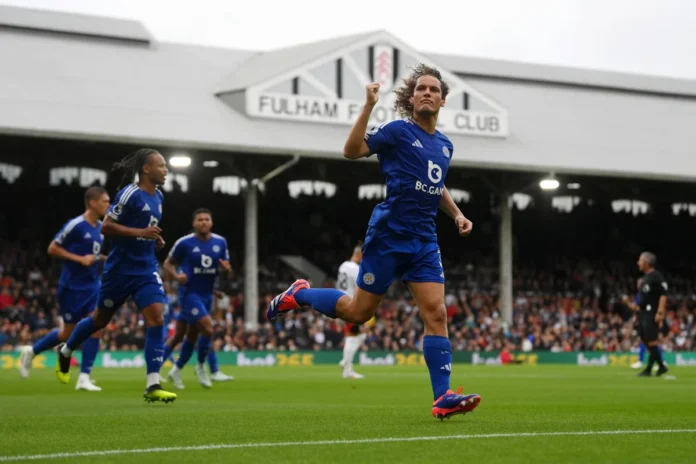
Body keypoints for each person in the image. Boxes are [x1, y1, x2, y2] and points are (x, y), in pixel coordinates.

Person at [266, 64, 481, 420]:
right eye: (421, 88)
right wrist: (367, 106)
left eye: (434, 90)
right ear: (412, 98)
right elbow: (352, 151)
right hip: (389, 236)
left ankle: (442, 397)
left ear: (443, 100)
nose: (427, 93)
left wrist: (456, 214)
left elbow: (435, 184)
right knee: (358, 312)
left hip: (425, 240)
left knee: (437, 313)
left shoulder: (445, 145)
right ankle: (299, 294)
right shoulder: (397, 131)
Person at [55, 149, 177, 403]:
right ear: (146, 169)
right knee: (99, 320)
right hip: (119, 271)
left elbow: (146, 228)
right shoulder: (129, 194)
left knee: (157, 317)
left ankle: (153, 384)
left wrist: (154, 237)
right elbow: (107, 226)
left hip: (145, 269)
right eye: (161, 166)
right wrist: (140, 232)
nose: (166, 170)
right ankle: (66, 351)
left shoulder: (159, 197)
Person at [19, 186, 110, 392]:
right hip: (72, 287)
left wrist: (105, 259)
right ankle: (31, 352)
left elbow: (93, 256)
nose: (108, 205)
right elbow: (52, 248)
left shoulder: (101, 229)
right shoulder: (76, 225)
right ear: (92, 202)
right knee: (67, 333)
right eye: (105, 201)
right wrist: (79, 259)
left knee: (97, 327)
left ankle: (84, 377)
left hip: (92, 286)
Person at [162, 208, 232, 389]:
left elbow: (225, 271)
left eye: (206, 219)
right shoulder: (184, 243)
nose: (203, 222)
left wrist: (227, 270)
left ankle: (176, 369)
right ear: (194, 223)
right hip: (188, 294)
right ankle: (202, 367)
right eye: (200, 220)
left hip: (207, 295)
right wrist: (177, 277)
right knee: (208, 328)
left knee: (189, 336)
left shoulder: (220, 242)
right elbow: (167, 263)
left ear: (211, 223)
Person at [624, 252, 669, 377]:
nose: (638, 263)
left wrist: (660, 312)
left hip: (652, 312)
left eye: (640, 260)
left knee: (651, 340)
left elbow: (663, 295)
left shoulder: (656, 276)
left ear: (646, 263)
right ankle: (657, 367)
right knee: (645, 339)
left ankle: (654, 367)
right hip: (643, 313)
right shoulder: (645, 278)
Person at [336, 242, 371, 379]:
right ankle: (347, 368)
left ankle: (346, 362)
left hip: (340, 301)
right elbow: (363, 286)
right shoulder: (356, 269)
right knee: (353, 335)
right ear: (359, 254)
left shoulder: (343, 266)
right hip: (350, 305)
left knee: (359, 334)